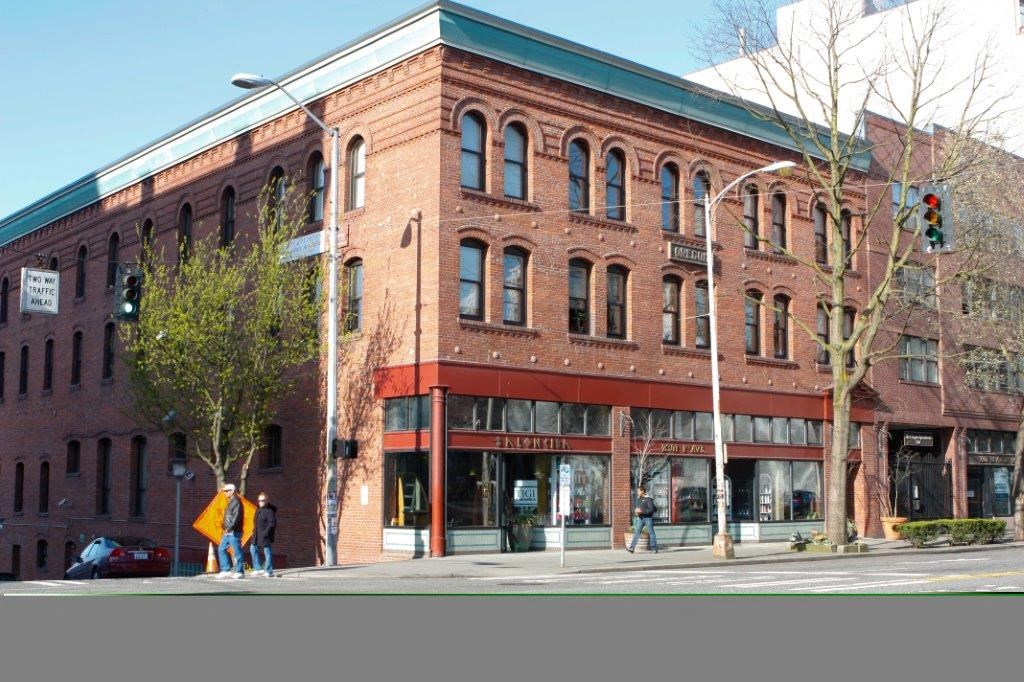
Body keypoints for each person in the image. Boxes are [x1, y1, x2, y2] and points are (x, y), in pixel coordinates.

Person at [216, 483, 245, 579]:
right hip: (228, 531)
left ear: (232, 491)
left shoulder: (236, 501)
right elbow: (229, 517)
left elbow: (236, 517)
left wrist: (230, 528)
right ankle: (226, 570)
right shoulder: (231, 501)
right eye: (224, 491)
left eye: (226, 491)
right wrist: (224, 527)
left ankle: (240, 572)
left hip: (233, 531)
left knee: (237, 551)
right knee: (221, 548)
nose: (225, 493)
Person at [250, 492, 277, 577]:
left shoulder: (269, 511)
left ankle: (268, 570)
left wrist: (266, 533)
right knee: (253, 549)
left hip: (265, 536)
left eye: (263, 500)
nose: (261, 502)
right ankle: (257, 568)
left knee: (267, 552)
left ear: (267, 501)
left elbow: (272, 524)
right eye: (259, 500)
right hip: (256, 535)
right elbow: (255, 523)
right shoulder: (258, 510)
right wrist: (253, 531)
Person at [626, 485, 658, 554]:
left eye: (638, 491)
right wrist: (636, 512)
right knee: (637, 533)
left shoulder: (648, 499)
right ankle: (632, 548)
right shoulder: (639, 499)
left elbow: (651, 509)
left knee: (651, 533)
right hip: (640, 518)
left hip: (648, 519)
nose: (637, 492)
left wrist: (642, 511)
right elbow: (638, 508)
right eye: (637, 491)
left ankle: (654, 548)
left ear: (642, 491)